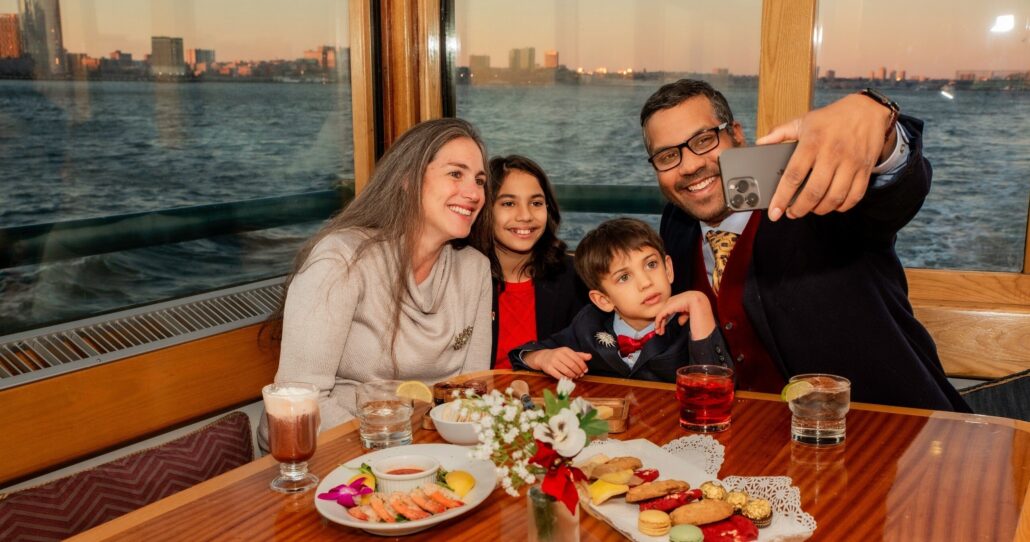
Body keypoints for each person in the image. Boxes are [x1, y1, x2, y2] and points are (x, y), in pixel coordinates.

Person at [640, 79, 968, 411]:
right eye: (668, 156)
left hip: (891, 428)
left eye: (704, 140)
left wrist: (876, 123)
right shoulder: (677, 226)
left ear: (736, 134)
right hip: (750, 441)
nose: (690, 165)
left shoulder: (817, 199)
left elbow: (894, 194)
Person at [260, 118, 494, 446]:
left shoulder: (475, 270)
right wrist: (396, 455)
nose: (473, 193)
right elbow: (300, 398)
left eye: (480, 181)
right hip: (329, 450)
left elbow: (470, 392)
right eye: (455, 174)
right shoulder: (341, 259)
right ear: (409, 180)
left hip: (426, 448)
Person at [511, 218, 729, 382]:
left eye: (651, 265)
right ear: (603, 300)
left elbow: (718, 384)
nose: (645, 282)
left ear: (668, 268)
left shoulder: (690, 322)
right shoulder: (589, 324)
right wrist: (542, 357)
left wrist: (700, 304)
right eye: (624, 277)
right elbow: (523, 356)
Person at [483, 155, 588, 369]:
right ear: (485, 210)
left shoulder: (574, 276)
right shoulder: (461, 277)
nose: (526, 215)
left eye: (536, 203)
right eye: (509, 203)